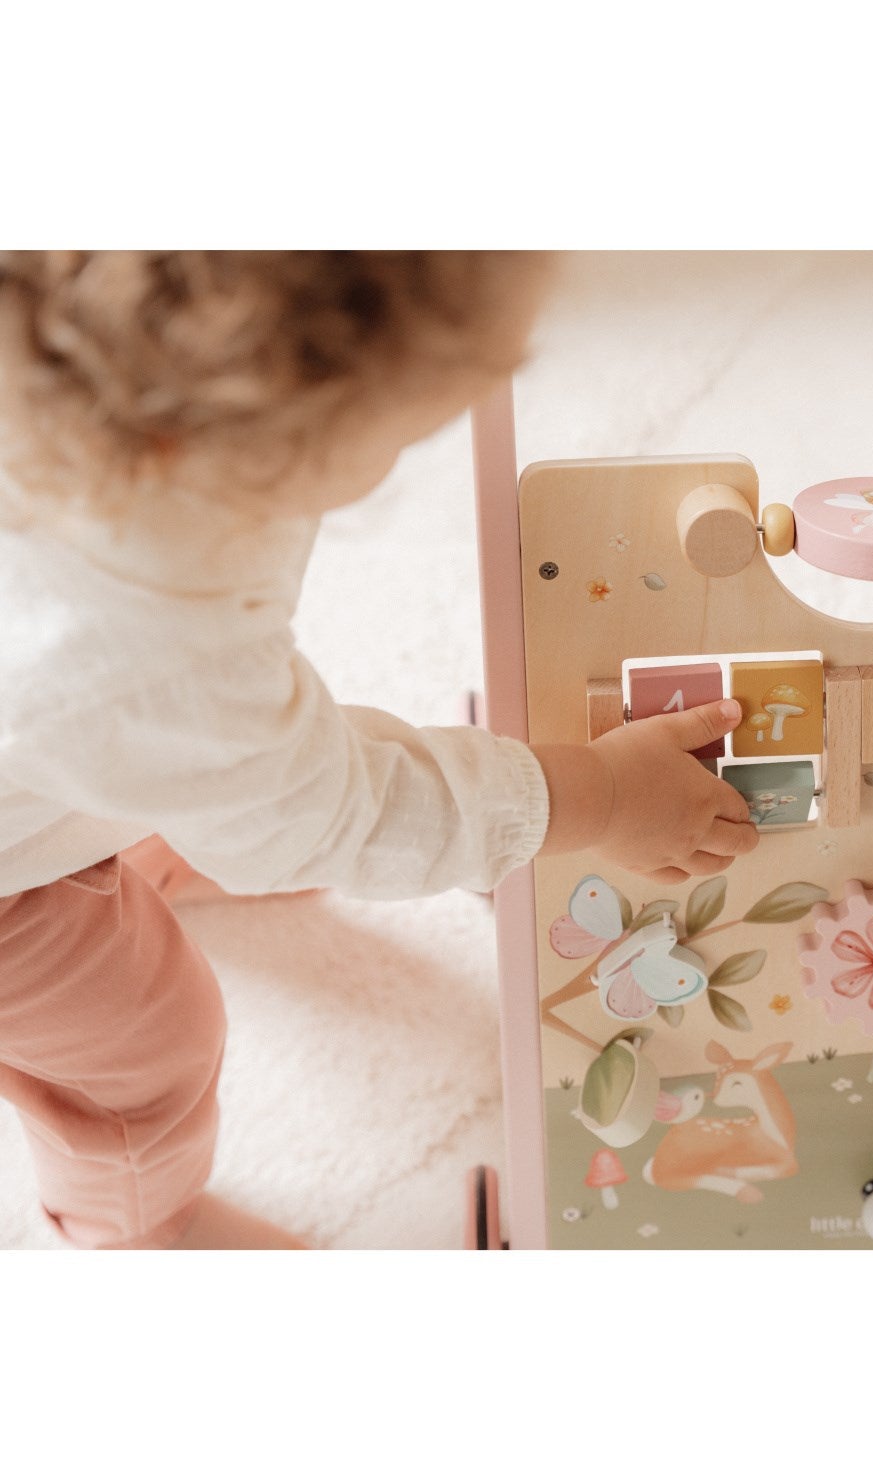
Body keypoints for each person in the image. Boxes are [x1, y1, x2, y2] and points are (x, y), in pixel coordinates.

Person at [0, 251, 756, 1248]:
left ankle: (185, 834)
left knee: (189, 767)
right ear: (281, 432)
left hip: (55, 754)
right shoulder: (153, 651)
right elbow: (338, 815)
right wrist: (597, 795)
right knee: (144, 1045)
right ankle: (142, 1222)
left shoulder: (110, 428)